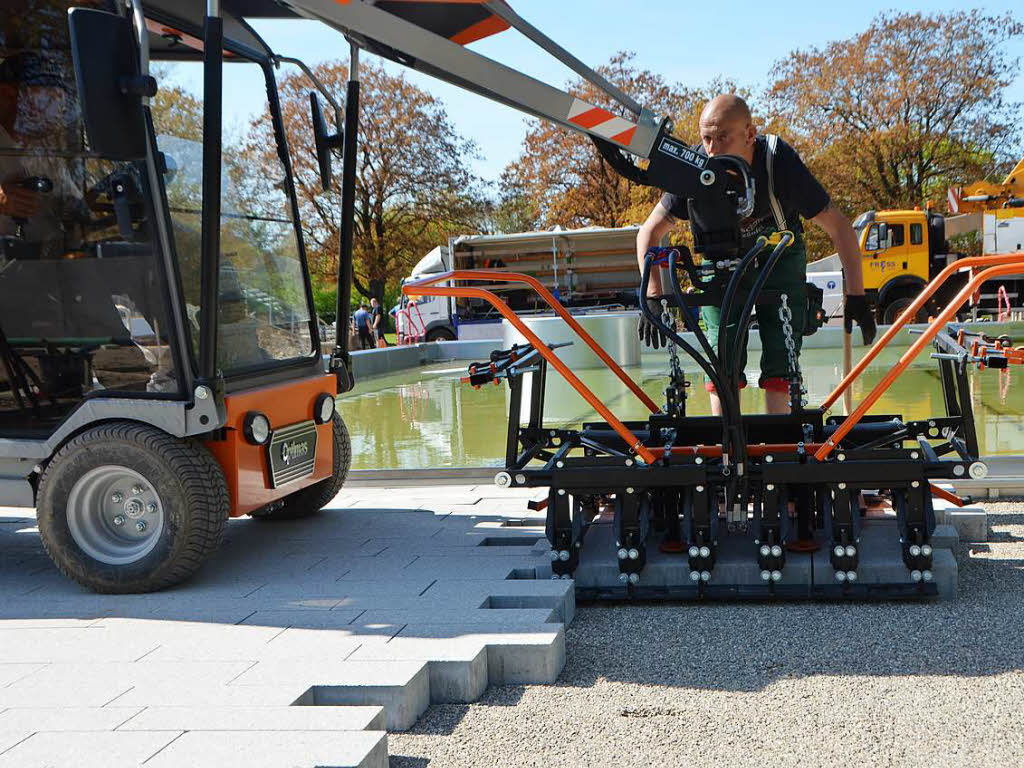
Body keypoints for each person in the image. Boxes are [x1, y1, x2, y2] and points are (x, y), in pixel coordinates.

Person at [635, 94, 876, 415]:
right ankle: (725, 445)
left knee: (782, 351)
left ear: (750, 134)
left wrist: (856, 295)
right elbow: (649, 232)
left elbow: (839, 227)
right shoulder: (695, 168)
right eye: (706, 138)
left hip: (780, 256)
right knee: (722, 356)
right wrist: (652, 294)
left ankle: (781, 443)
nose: (712, 149)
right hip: (719, 259)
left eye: (723, 137)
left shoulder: (779, 163)